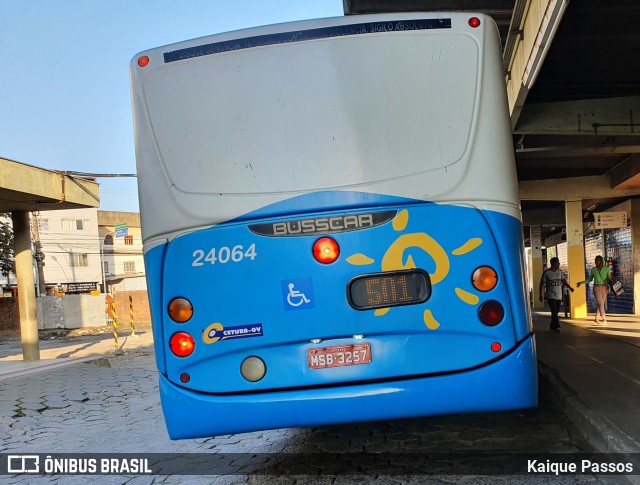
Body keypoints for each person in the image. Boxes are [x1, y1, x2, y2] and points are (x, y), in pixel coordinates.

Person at [539, 257, 574, 332]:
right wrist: (540, 295)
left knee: (556, 312)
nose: (559, 264)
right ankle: (557, 326)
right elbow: (541, 284)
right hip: (550, 295)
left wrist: (570, 288)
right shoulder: (547, 273)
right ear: (553, 263)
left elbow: (564, 281)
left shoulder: (560, 272)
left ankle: (552, 327)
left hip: (559, 296)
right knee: (554, 311)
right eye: (558, 263)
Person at [576, 255, 613, 325]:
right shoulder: (593, 269)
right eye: (595, 260)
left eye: (597, 260)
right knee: (601, 303)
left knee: (601, 304)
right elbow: (589, 279)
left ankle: (596, 318)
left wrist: (611, 281)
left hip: (605, 288)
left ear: (601, 261)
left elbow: (609, 278)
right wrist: (581, 282)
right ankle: (604, 319)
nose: (595, 262)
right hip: (596, 288)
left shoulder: (606, 269)